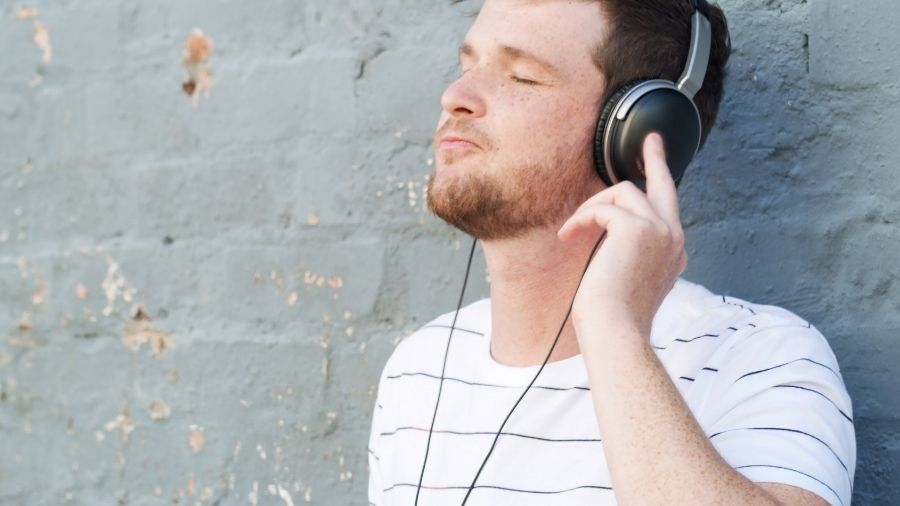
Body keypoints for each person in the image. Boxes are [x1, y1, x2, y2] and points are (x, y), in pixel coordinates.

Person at [367, 1, 856, 505]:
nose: (455, 97)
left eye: (522, 76)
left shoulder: (759, 359)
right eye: (468, 66)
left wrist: (611, 326)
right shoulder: (418, 369)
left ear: (640, 131)